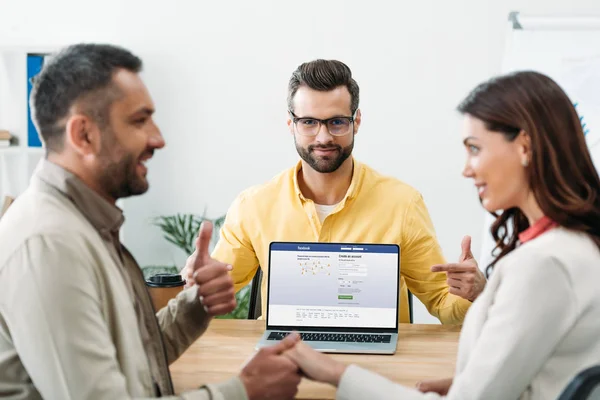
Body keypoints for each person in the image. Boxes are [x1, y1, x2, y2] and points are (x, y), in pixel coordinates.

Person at [0, 43, 302, 400]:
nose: (158, 138)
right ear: (84, 135)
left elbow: (131, 362)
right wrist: (242, 391)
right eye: (139, 120)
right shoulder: (49, 244)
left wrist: (197, 304)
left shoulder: (85, 226)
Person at [280, 70, 600, 399]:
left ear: (524, 147)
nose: (466, 168)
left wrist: (335, 373)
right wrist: (466, 383)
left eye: (475, 149)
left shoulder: (543, 265)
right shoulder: (574, 244)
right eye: (309, 122)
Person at [182, 59, 484, 324]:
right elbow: (211, 298)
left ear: (357, 121)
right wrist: (196, 285)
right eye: (309, 122)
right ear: (291, 124)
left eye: (337, 122)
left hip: (377, 368)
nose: (323, 136)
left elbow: (444, 305)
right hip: (283, 360)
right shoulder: (254, 206)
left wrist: (474, 294)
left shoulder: (402, 204)